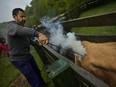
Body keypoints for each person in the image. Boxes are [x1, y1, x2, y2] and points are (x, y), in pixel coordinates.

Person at [7, 8, 48, 87]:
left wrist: (38, 44)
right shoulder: (11, 27)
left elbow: (28, 40)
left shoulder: (22, 28)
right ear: (14, 17)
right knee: (34, 79)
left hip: (27, 55)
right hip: (19, 59)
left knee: (37, 72)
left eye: (24, 16)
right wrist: (38, 34)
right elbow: (18, 30)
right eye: (21, 16)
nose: (24, 18)